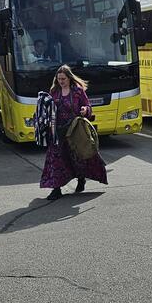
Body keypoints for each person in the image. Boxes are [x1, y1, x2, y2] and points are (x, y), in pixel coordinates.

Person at [37, 64, 107, 201]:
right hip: (57, 131)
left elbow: (88, 106)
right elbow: (48, 108)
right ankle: (56, 189)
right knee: (56, 159)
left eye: (63, 79)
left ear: (69, 78)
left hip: (74, 130)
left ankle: (81, 179)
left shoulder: (77, 91)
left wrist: (85, 110)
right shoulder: (54, 91)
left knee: (79, 156)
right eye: (59, 79)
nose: (61, 81)